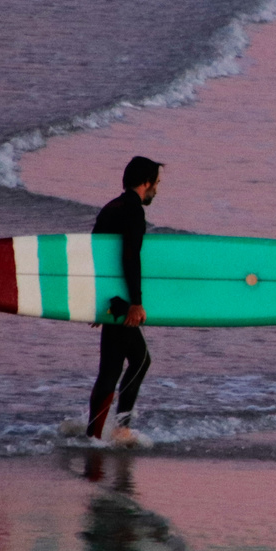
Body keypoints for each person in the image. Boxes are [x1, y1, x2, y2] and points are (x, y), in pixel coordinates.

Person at [86, 155, 161, 441]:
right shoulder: (133, 211)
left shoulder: (111, 207)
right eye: (156, 183)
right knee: (140, 361)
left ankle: (94, 436)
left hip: (111, 299)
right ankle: (120, 429)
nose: (157, 189)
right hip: (122, 302)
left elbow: (95, 254)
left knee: (112, 368)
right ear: (145, 182)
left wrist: (97, 301)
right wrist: (136, 303)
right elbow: (130, 256)